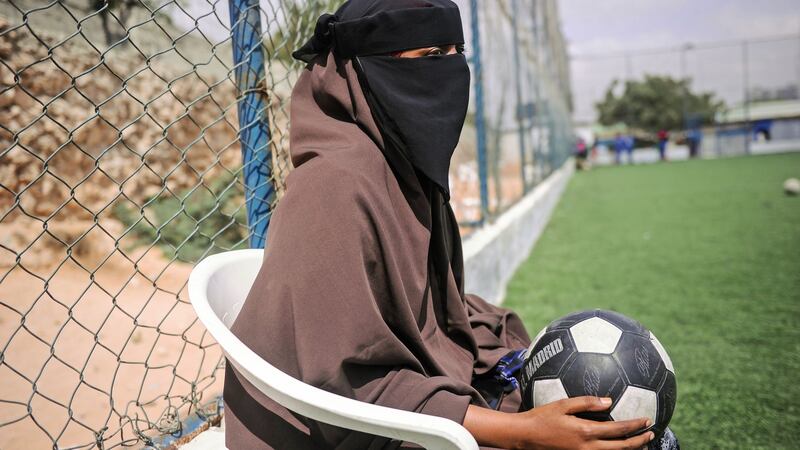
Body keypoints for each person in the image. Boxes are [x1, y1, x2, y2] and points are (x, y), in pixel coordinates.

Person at [222, 1, 662, 449]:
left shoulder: (402, 169)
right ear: (365, 70)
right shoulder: (333, 188)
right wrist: (523, 434)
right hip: (331, 430)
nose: (450, 70)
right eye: (431, 55)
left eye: (457, 52)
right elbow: (338, 382)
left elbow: (422, 311)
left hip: (397, 404)